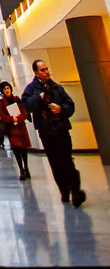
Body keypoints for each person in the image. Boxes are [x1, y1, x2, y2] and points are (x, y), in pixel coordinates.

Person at [23, 59, 85, 207]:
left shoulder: (57, 88)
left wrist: (61, 109)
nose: (46, 72)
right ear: (36, 73)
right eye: (43, 70)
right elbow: (26, 105)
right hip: (46, 132)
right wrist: (39, 98)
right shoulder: (31, 89)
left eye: (47, 69)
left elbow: (70, 105)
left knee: (67, 160)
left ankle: (75, 191)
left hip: (61, 129)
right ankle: (64, 191)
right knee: (55, 163)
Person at [0, 81, 31, 181]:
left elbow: (24, 112)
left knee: (24, 150)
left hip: (21, 127)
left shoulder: (17, 99)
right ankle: (21, 170)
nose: (7, 90)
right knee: (16, 150)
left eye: (8, 88)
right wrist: (12, 119)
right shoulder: (1, 102)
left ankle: (26, 167)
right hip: (12, 129)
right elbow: (2, 116)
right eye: (5, 89)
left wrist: (19, 118)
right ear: (2, 91)